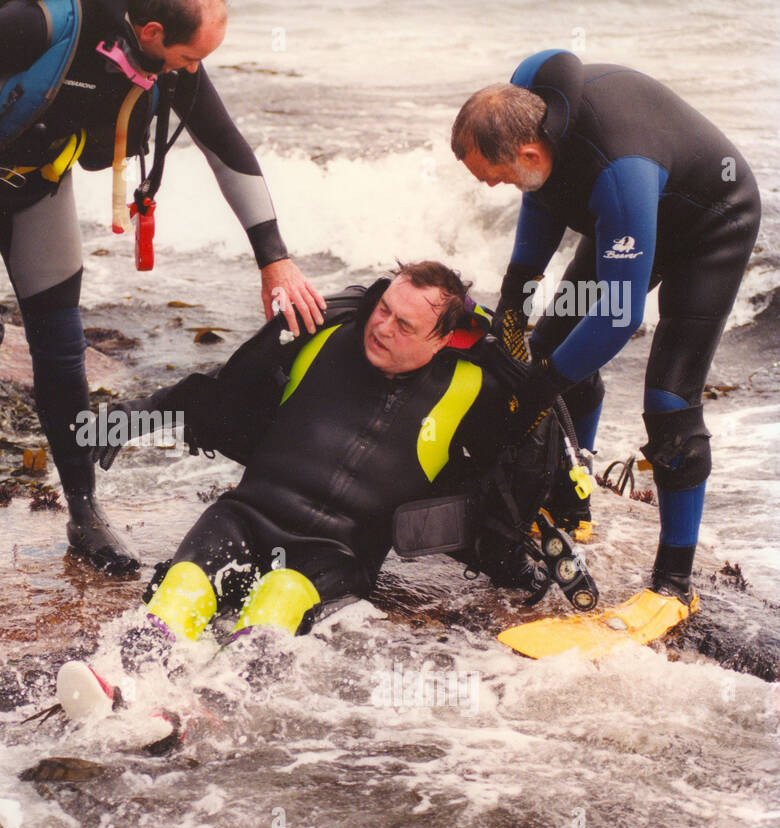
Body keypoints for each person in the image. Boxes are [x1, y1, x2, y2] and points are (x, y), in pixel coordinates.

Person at [0, 0, 325, 587]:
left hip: (38, 184)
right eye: (189, 57)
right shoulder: (44, 22)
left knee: (61, 348)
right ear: (154, 32)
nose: (192, 71)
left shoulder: (167, 63)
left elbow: (225, 147)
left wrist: (275, 258)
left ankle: (83, 510)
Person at [92, 261, 538, 661]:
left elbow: (517, 464)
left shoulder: (470, 390)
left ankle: (219, 701)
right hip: (245, 517)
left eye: (404, 325)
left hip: (336, 553)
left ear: (442, 339)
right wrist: (136, 415)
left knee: (280, 595)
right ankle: (128, 677)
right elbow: (223, 388)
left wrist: (520, 554)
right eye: (383, 309)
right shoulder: (324, 337)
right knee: (184, 584)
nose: (382, 328)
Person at [450, 50, 761, 611]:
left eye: (495, 178)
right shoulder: (528, 110)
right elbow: (542, 192)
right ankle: (574, 504)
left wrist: (541, 387)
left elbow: (618, 316)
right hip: (628, 216)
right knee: (546, 347)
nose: (496, 188)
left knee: (669, 403)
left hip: (709, 224)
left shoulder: (619, 172)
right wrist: (515, 299)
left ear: (526, 151)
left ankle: (673, 584)